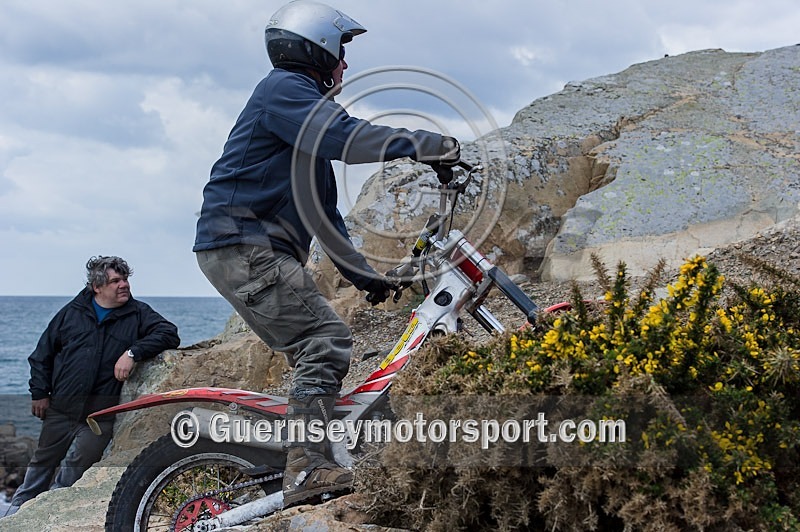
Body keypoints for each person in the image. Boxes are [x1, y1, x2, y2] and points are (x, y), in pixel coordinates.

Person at [193, 0, 460, 506]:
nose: (345, 66)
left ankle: (307, 454)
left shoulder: (298, 111)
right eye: (341, 53)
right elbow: (345, 137)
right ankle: (307, 468)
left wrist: (366, 278)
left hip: (245, 248)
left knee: (320, 342)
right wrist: (428, 144)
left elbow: (321, 214)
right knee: (324, 342)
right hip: (245, 247)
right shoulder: (284, 91)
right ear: (316, 48)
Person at [2, 256, 180, 518]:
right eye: (116, 281)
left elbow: (169, 333)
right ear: (97, 287)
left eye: (125, 279)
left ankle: (51, 515)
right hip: (60, 409)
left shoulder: (138, 313)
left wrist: (132, 352)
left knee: (76, 469)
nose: (124, 285)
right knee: (41, 465)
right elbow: (42, 356)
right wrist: (39, 394)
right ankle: (14, 517)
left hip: (99, 416)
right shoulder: (72, 313)